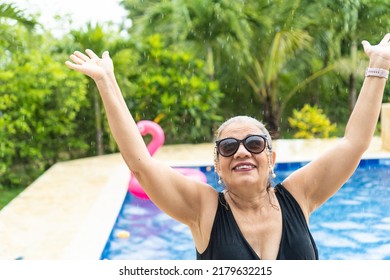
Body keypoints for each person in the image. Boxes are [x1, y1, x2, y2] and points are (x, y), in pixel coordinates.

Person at [66, 34, 390, 260]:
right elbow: (141, 164)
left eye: (254, 142)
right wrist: (106, 81)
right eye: (228, 147)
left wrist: (378, 66)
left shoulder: (299, 195)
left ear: (271, 157)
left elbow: (354, 143)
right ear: (218, 166)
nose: (241, 151)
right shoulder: (203, 209)